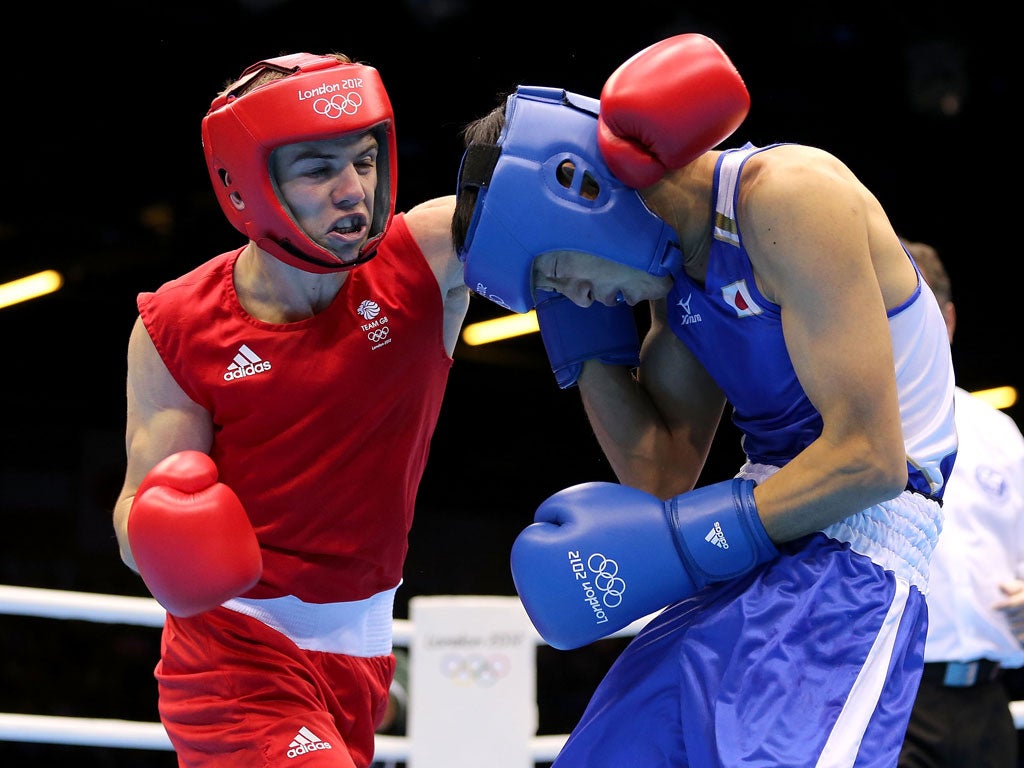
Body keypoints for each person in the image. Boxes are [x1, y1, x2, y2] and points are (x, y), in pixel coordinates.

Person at [451, 33, 958, 766]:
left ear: (583, 197)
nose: (582, 296)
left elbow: (871, 460)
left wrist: (689, 541)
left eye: (564, 275)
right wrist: (584, 341)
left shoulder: (786, 197)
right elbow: (660, 478)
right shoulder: (679, 283)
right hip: (754, 546)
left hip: (855, 564)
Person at [111, 52, 469, 768]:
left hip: (362, 654)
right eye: (317, 170)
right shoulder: (178, 325)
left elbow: (575, 212)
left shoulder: (428, 256)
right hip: (233, 654)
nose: (353, 192)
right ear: (248, 185)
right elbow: (132, 517)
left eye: (365, 162)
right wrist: (166, 535)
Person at [897, 240, 1024, 768]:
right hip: (891, 696)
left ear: (945, 321)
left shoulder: (999, 432)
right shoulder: (833, 429)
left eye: (913, 313)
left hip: (987, 699)